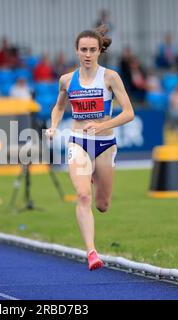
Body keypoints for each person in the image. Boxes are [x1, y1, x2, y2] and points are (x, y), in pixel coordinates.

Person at [46, 26, 134, 270]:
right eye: (83, 49)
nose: (87, 54)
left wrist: (103, 123)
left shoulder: (110, 77)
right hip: (78, 141)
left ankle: (94, 174)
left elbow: (129, 113)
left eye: (92, 50)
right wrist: (54, 126)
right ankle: (92, 252)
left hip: (105, 144)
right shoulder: (66, 80)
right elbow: (59, 107)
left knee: (102, 205)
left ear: (99, 51)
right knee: (83, 195)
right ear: (76, 51)